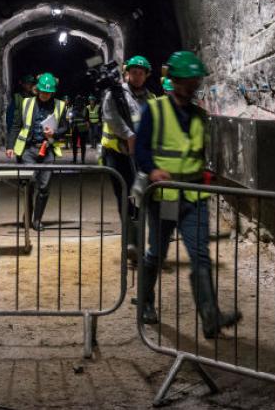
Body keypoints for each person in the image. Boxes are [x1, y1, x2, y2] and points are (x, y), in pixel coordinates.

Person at [135, 51, 241, 339]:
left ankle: (210, 318)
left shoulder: (200, 116)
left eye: (196, 80)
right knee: (157, 253)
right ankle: (144, 302)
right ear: (175, 81)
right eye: (189, 80)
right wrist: (153, 170)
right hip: (164, 197)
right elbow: (141, 149)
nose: (193, 85)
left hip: (194, 197)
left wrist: (208, 174)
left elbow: (200, 153)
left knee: (200, 256)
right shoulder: (154, 112)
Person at [101, 55, 157, 261]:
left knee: (140, 200)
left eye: (141, 73)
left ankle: (137, 244)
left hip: (140, 158)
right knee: (126, 200)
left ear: (146, 75)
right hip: (117, 156)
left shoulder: (151, 99)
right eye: (133, 72)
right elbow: (109, 116)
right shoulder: (115, 95)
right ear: (127, 73)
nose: (136, 76)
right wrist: (129, 134)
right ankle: (131, 244)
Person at [7, 72, 68, 231]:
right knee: (30, 183)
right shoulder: (26, 104)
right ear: (37, 90)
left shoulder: (60, 106)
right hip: (28, 149)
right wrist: (9, 146)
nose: (45, 95)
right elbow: (16, 125)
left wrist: (54, 134)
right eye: (43, 92)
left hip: (47, 150)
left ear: (52, 92)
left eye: (48, 92)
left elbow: (65, 127)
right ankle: (28, 215)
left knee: (44, 187)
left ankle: (37, 220)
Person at [6, 74, 37, 141]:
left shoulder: (36, 98)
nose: (30, 85)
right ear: (23, 84)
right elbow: (10, 118)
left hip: (33, 134)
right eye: (28, 83)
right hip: (20, 132)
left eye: (31, 83)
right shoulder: (16, 98)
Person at [67, 95, 91, 164]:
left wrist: (71, 126)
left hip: (75, 128)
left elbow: (71, 119)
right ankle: (82, 160)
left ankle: (75, 160)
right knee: (82, 145)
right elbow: (87, 120)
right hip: (82, 128)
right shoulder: (85, 109)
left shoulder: (73, 109)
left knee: (75, 145)